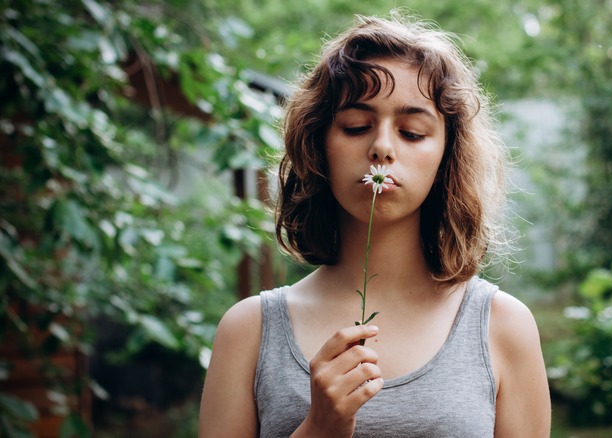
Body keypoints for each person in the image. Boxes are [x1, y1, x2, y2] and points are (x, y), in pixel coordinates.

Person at [199, 13, 551, 437]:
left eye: (413, 132)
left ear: (446, 157)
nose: (382, 147)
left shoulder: (503, 327)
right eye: (356, 126)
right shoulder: (249, 333)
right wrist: (318, 429)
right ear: (318, 145)